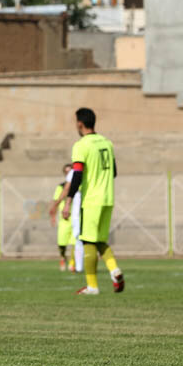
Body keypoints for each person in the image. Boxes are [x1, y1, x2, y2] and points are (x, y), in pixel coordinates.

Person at [60, 108, 124, 296]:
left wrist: (68, 202)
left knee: (87, 241)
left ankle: (92, 286)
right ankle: (114, 270)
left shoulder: (81, 145)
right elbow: (114, 172)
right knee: (100, 240)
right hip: (108, 198)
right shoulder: (107, 143)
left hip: (92, 200)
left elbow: (77, 175)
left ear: (80, 123)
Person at [47, 163, 75, 272]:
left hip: (76, 217)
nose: (69, 173)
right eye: (67, 172)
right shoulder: (61, 186)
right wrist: (53, 215)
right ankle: (63, 257)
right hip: (64, 218)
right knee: (62, 242)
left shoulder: (79, 184)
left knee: (74, 242)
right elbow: (56, 200)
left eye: (70, 171)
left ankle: (73, 262)